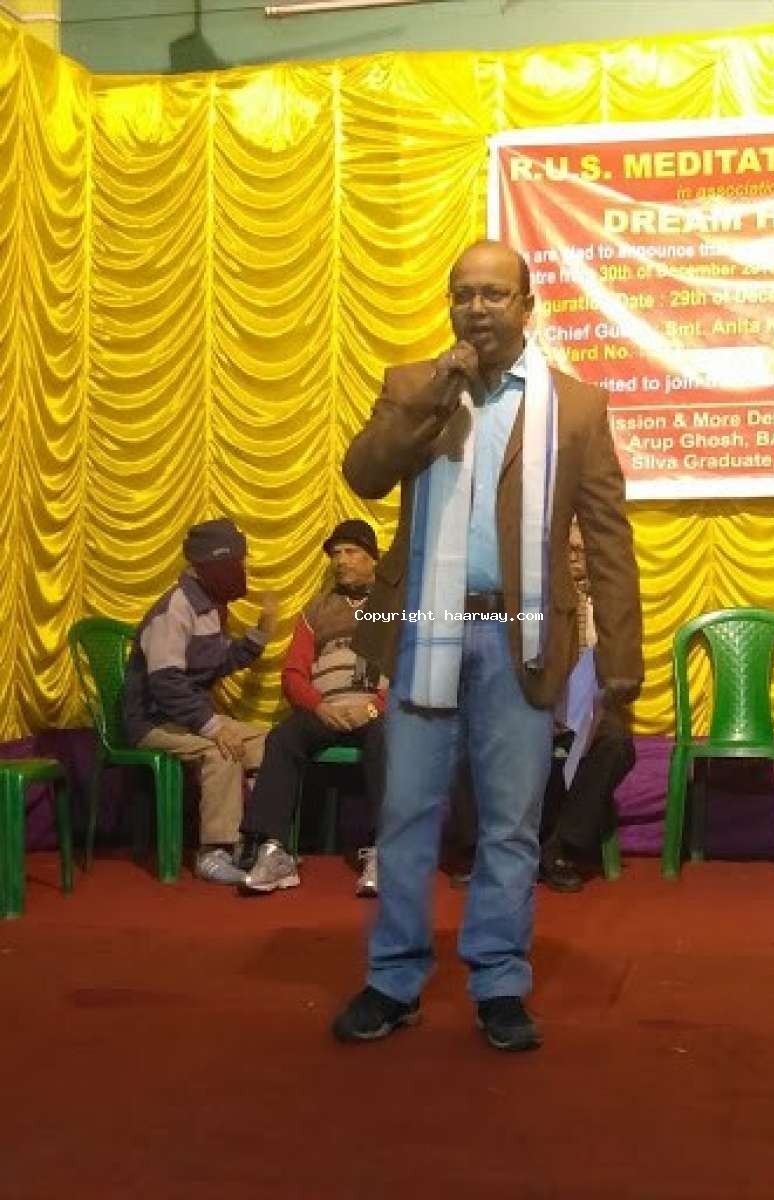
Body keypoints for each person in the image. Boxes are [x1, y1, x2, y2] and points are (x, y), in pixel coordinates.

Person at [333, 238, 643, 1051]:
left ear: (527, 306)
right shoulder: (414, 386)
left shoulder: (576, 407)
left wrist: (621, 655)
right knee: (406, 814)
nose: (476, 307)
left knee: (510, 822)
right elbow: (365, 475)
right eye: (463, 293)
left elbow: (607, 537)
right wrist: (435, 391)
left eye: (494, 294)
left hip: (523, 637)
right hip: (422, 631)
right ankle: (393, 978)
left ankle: (500, 982)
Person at [123, 517, 277, 885]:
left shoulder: (211, 607)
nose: (243, 571)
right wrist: (214, 728)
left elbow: (215, 664)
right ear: (213, 565)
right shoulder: (174, 609)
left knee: (274, 744)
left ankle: (256, 840)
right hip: (153, 721)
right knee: (222, 751)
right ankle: (214, 851)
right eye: (237, 563)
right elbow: (166, 684)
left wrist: (259, 634)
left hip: (187, 717)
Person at [238, 519, 387, 897]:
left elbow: (415, 669)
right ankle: (274, 850)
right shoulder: (316, 609)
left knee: (390, 738)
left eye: (351, 552)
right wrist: (318, 707)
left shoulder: (395, 606)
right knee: (283, 738)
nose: (341, 560)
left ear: (373, 559)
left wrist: (374, 708)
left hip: (375, 712)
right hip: (327, 710)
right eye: (336, 554)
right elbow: (293, 674)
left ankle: (386, 852)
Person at [539, 520, 636, 892]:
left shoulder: (613, 603)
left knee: (617, 746)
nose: (576, 558)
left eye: (583, 551)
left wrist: (595, 710)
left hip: (594, 708)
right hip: (541, 703)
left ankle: (561, 847)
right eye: (570, 551)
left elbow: (624, 669)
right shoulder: (539, 599)